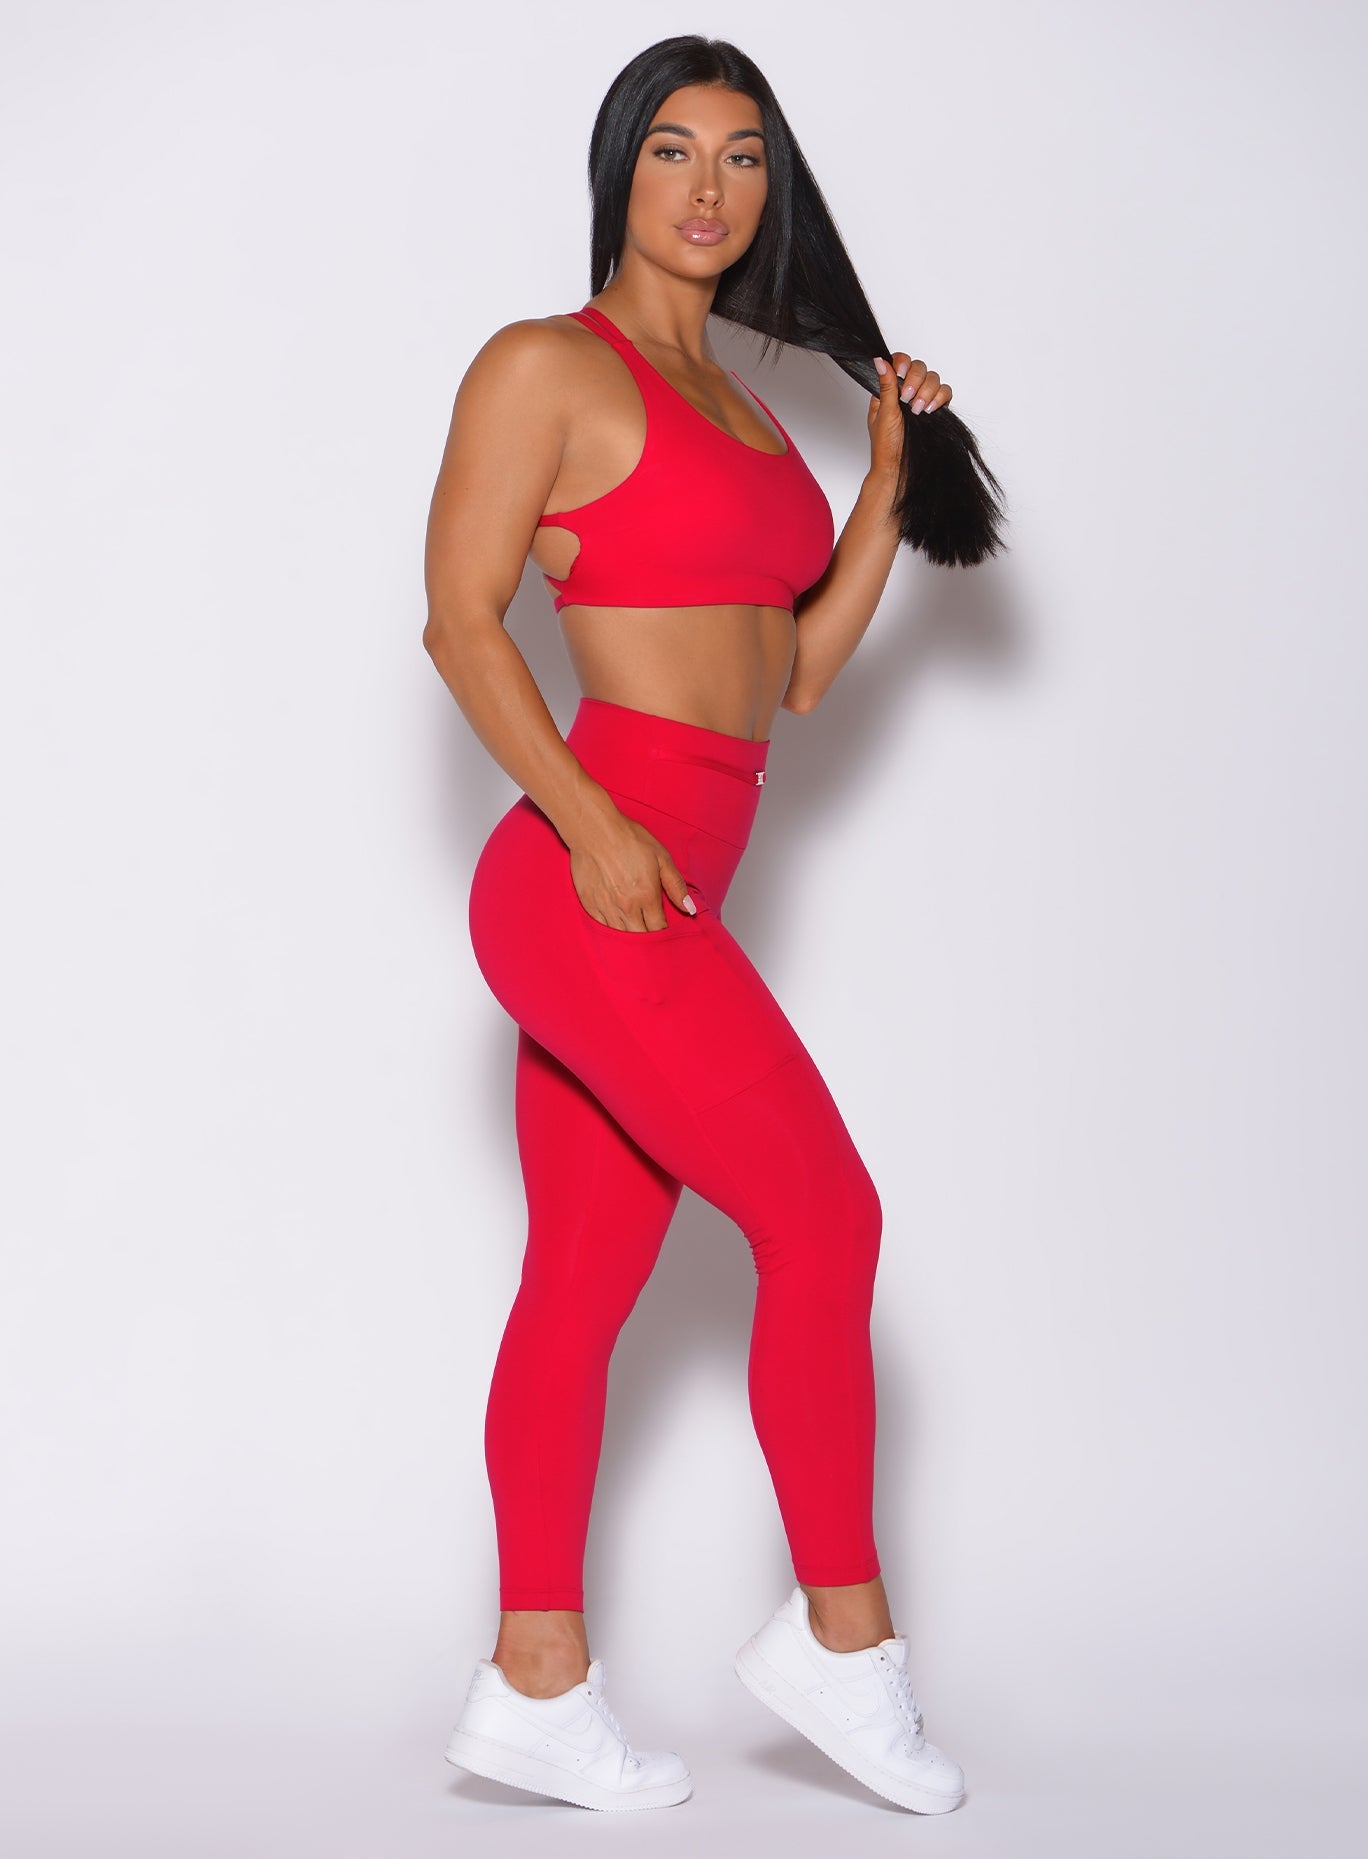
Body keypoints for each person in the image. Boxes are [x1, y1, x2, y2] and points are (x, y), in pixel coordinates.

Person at [422, 34, 1005, 1818]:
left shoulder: (753, 413)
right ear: (621, 170)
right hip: (588, 871)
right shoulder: (545, 366)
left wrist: (885, 480)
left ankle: (534, 1686)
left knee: (583, 1283)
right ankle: (845, 1641)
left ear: (773, 191)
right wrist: (592, 821)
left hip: (670, 869)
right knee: (825, 1214)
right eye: (673, 149)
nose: (708, 187)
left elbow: (797, 675)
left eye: (743, 157)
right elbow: (458, 620)